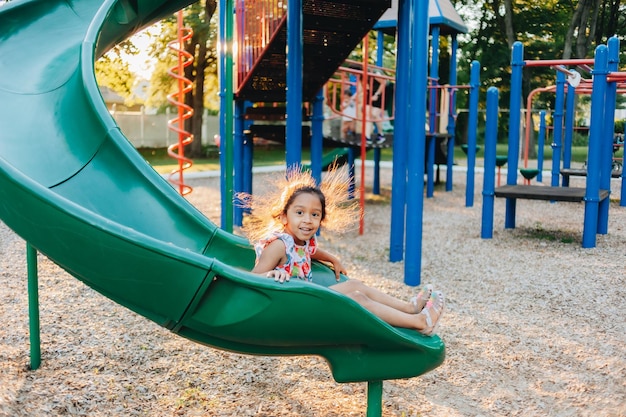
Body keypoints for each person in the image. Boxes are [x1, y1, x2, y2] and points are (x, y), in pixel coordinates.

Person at [239, 168, 445, 335]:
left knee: (354, 284)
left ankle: (409, 307)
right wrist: (272, 274)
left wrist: (332, 258)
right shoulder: (278, 245)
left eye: (315, 214)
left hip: (305, 300)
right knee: (357, 298)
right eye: (299, 213)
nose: (307, 220)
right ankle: (419, 322)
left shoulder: (302, 241)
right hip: (292, 311)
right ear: (284, 217)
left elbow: (310, 252)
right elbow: (252, 278)